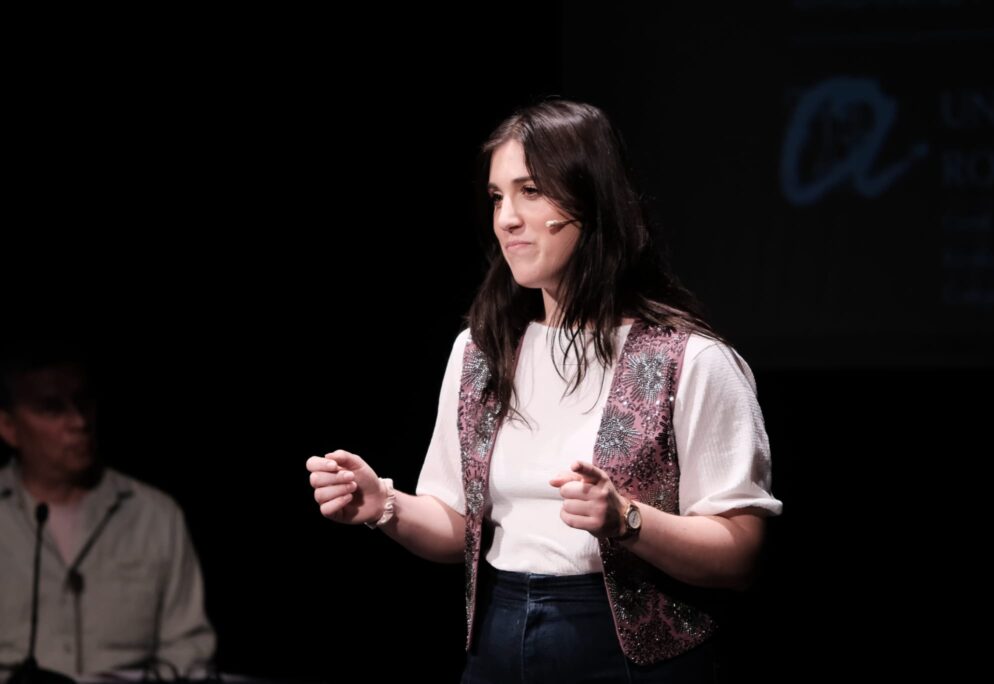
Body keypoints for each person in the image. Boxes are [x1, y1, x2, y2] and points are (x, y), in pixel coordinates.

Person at [306, 98, 782, 683]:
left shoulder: (691, 360)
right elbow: (458, 526)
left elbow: (741, 553)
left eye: (530, 191)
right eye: (497, 197)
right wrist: (385, 506)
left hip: (632, 655)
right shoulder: (481, 351)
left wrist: (628, 520)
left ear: (593, 200)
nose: (507, 218)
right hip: (498, 641)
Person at [0, 347, 216, 680]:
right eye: (52, 408)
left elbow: (188, 651)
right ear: (8, 427)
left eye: (83, 401)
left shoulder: (154, 515)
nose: (79, 421)